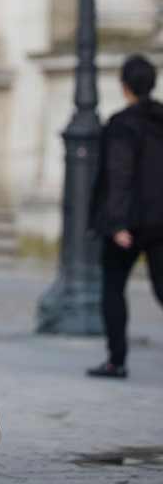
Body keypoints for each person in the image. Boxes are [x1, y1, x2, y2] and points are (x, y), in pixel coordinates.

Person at [87, 53, 163, 378]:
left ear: (125, 86)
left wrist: (115, 222)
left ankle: (116, 361)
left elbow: (118, 173)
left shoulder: (122, 125)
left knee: (113, 287)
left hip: (129, 223)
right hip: (160, 221)